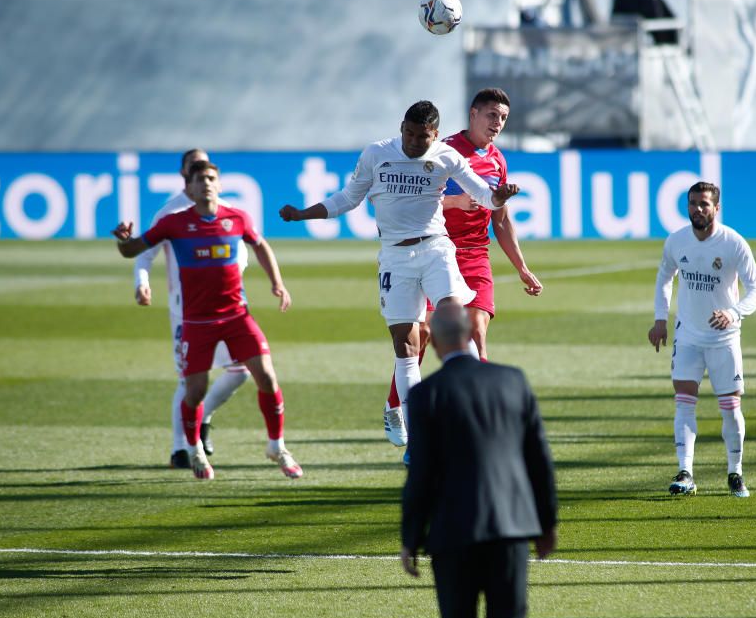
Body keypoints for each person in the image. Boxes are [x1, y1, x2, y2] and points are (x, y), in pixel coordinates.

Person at [278, 100, 519, 459]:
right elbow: (348, 198)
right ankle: (417, 433)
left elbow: (484, 195)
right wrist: (302, 214)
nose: (413, 141)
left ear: (435, 135)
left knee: (457, 323)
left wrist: (498, 196)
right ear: (401, 126)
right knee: (406, 347)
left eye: (422, 136)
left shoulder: (447, 156)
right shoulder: (377, 153)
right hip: (394, 256)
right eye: (408, 132)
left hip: (437, 250)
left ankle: (472, 415)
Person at [113, 161, 302, 481]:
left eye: (211, 179)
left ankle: (277, 446)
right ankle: (194, 449)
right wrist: (123, 240)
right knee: (195, 390)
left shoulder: (237, 217)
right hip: (197, 322)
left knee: (267, 377)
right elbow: (134, 250)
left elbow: (260, 245)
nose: (206, 184)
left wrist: (277, 282)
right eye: (199, 180)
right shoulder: (173, 223)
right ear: (189, 188)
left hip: (237, 315)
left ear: (219, 184)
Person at [380, 88, 543, 448]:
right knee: (421, 333)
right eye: (491, 115)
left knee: (477, 333)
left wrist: (522, 267)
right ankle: (396, 406)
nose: (497, 123)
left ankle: (477, 420)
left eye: (502, 117)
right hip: (435, 249)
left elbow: (500, 221)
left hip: (475, 255)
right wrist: (455, 201)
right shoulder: (442, 151)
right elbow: (412, 197)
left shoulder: (498, 161)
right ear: (473, 114)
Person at [400, 303, 558, 618]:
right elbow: (538, 459)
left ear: (436, 343)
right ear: (471, 335)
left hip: (452, 532)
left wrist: (411, 538)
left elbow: (421, 474)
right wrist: (547, 523)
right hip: (510, 528)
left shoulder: (425, 394)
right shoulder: (512, 380)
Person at [648, 181, 756, 498]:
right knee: (684, 401)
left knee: (729, 406)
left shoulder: (733, 243)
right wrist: (661, 319)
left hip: (724, 339)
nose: (697, 209)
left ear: (716, 208)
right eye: (692, 204)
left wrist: (735, 312)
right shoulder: (676, 241)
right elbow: (664, 278)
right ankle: (685, 472)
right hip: (687, 336)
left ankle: (735, 473)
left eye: (704, 204)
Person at [134, 149, 249, 469]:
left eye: (207, 169)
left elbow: (244, 248)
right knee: (189, 380)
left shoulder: (225, 210)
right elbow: (144, 253)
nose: (202, 176)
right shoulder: (170, 213)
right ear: (185, 175)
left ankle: (202, 418)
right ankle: (179, 449)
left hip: (228, 304)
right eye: (194, 169)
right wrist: (141, 282)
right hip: (186, 309)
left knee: (240, 372)